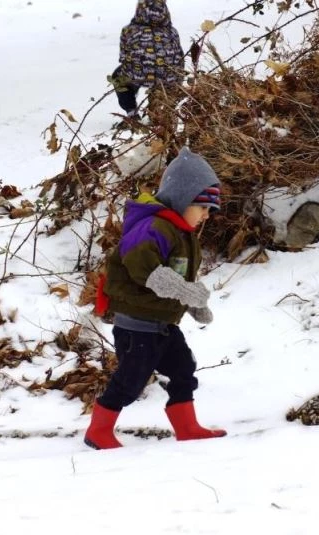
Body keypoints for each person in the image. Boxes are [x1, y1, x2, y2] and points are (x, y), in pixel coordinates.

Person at [85, 147, 227, 450]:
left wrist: (194, 303)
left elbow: (179, 279)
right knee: (131, 380)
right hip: (136, 325)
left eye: (209, 211)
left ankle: (187, 426)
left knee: (182, 369)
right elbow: (144, 268)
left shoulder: (182, 235)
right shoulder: (153, 227)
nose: (206, 216)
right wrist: (186, 293)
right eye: (202, 207)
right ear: (183, 197)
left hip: (163, 324)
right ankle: (98, 430)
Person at [111, 0, 185, 117]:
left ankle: (131, 112)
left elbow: (123, 57)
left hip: (138, 74)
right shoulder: (172, 31)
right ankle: (163, 111)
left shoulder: (128, 30)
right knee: (167, 77)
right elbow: (180, 56)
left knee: (118, 77)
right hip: (168, 77)